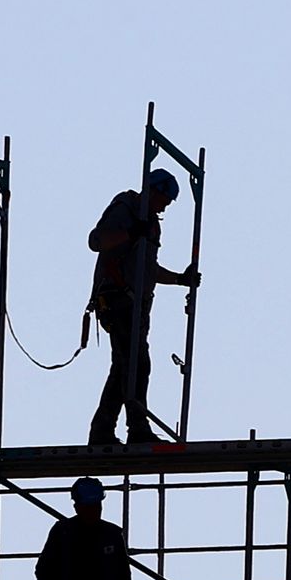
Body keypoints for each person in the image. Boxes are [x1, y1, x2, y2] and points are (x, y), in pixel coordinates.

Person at [87, 166, 199, 447]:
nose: (165, 205)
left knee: (123, 366)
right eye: (164, 198)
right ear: (153, 189)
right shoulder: (128, 207)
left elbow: (147, 269)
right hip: (116, 299)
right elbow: (97, 241)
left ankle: (102, 430)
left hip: (135, 305)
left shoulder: (150, 222)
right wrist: (132, 231)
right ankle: (137, 427)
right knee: (136, 363)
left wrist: (179, 280)